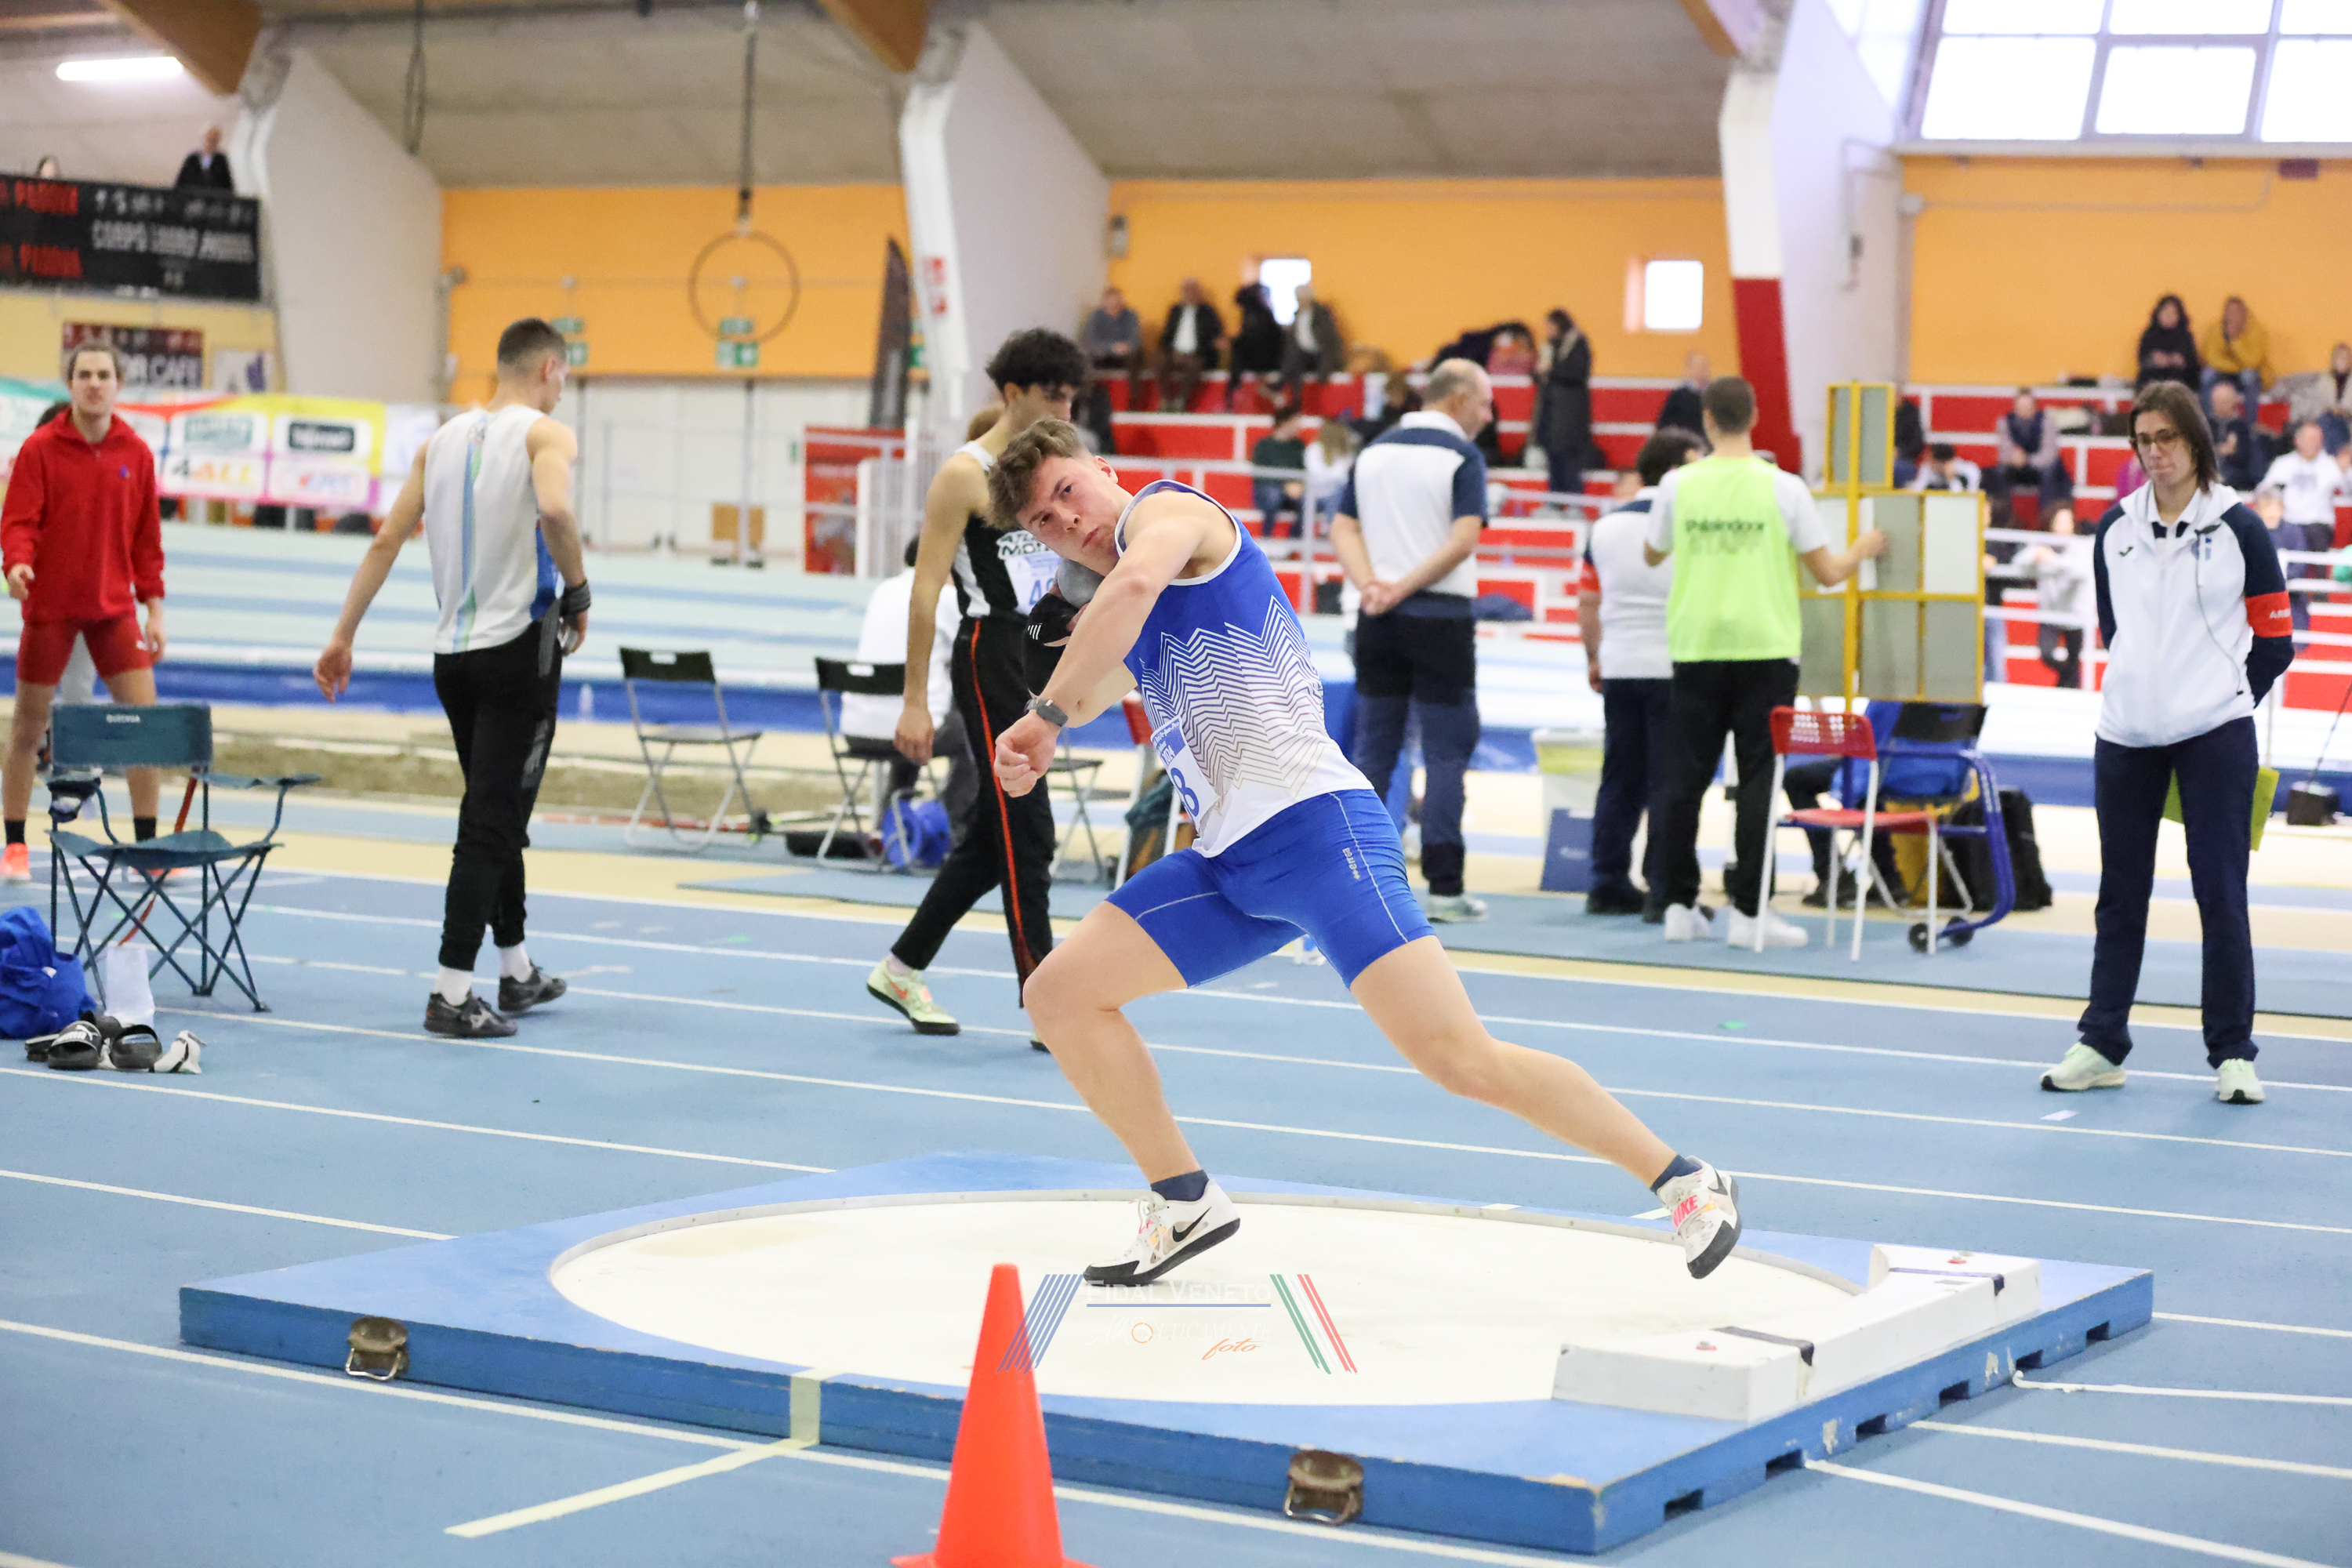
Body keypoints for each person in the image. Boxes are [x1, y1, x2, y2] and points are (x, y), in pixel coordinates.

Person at [985, 417, 1748, 1287]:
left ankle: (1685, 1178)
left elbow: (1125, 596)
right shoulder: (1122, 602)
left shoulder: (1169, 514)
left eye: (1068, 492)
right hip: (1230, 865)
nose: (1066, 520)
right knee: (1059, 995)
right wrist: (1044, 708)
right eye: (1043, 521)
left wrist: (1045, 712)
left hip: (1321, 834)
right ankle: (1183, 1198)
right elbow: (1096, 690)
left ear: (1102, 468)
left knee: (1461, 1059)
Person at [314, 318, 587, 1038]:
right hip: (517, 652)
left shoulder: (438, 441)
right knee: (492, 821)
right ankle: (452, 992)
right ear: (549, 369)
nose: (564, 389)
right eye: (565, 376)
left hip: (453, 659)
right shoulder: (547, 436)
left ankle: (516, 969)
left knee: (495, 809)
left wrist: (343, 635)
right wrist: (580, 590)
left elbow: (385, 539)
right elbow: (557, 509)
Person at [2040, 382, 2293, 1107]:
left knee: (2221, 893)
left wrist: (2225, 700)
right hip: (2125, 737)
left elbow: (2275, 642)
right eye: (2144, 440)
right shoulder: (2114, 530)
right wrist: (2144, 696)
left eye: (2167, 438)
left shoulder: (2241, 528)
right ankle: (2102, 1042)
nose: (2155, 452)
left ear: (2195, 441)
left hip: (2216, 736)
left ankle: (2233, 1053)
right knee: (2120, 894)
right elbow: (2115, 631)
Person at [863, 328, 1087, 1043]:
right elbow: (925, 590)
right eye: (1054, 397)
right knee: (1029, 833)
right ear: (1013, 393)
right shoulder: (965, 476)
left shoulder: (1056, 467)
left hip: (1040, 651)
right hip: (990, 653)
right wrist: (914, 702)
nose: (1066, 411)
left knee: (994, 842)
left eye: (1073, 398)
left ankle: (902, 967)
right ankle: (1046, 1001)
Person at [1641, 376, 1886, 950]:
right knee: (1758, 780)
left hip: (1697, 646)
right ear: (1754, 417)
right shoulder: (1784, 488)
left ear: (1706, 420)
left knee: (1683, 781)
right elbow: (1828, 573)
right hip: (1765, 649)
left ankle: (1678, 905)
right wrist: (1864, 549)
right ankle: (1750, 914)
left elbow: (1651, 552)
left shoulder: (1677, 485)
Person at [1331, 359, 1496, 924]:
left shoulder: (1373, 452)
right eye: (1484, 404)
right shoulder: (1462, 457)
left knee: (1375, 750)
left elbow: (1341, 527)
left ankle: (1363, 884)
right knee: (1447, 753)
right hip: (1440, 619)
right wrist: (1403, 586)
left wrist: (1371, 587)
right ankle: (1445, 888)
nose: (1489, 416)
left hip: (1378, 619)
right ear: (1458, 399)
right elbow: (1464, 539)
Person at [0, 343, 168, 884]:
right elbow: (18, 522)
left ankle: (148, 847)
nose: (94, 383)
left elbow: (147, 542)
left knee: (145, 726)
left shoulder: (136, 453)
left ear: (118, 384)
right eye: (84, 374)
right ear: (70, 384)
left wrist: (154, 610)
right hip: (51, 609)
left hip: (113, 611)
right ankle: (15, 844)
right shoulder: (40, 450)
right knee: (28, 729)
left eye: (103, 374)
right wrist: (17, 565)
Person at [1578, 429, 1700, 917]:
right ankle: (1663, 887)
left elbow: (1589, 601)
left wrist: (1594, 657)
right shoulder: (1687, 523)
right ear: (1674, 472)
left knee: (1619, 777)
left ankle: (1606, 881)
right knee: (1669, 782)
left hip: (1621, 663)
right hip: (1672, 664)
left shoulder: (1604, 528)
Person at [842, 536, 975, 837]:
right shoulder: (945, 597)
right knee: (982, 733)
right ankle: (948, 827)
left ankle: (891, 825)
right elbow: (975, 653)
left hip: (858, 730)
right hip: (910, 730)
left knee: (914, 721)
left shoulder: (883, 590)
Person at [2257, 418, 2350, 641]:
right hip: (2288, 522)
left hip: (2318, 524)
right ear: (2297, 441)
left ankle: (2319, 593)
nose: (2314, 443)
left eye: (2318, 439)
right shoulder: (2283, 464)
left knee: (2315, 534)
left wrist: (2345, 467)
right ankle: (2279, 591)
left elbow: (2348, 489)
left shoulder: (2330, 465)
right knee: (2279, 534)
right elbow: (2263, 491)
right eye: (2309, 438)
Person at [2022, 503, 2092, 688]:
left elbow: (2080, 571)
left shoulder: (2081, 547)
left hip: (2075, 614)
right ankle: (2067, 679)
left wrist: (2052, 560)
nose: (2063, 527)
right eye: (2059, 522)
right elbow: (2019, 564)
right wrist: (2034, 557)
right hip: (2050, 613)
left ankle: (2067, 688)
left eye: (2067, 522)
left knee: (2074, 659)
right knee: (2047, 655)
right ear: (2051, 524)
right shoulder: (2041, 545)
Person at [1984, 388, 2073, 517]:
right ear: (2015, 407)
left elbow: (2049, 454)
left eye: (2028, 406)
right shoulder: (2004, 422)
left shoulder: (2047, 422)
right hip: (2015, 468)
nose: (2024, 410)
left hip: (2040, 468)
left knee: (2053, 470)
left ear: (2035, 407)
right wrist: (2014, 459)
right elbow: (2004, 453)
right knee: (1995, 473)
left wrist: (2027, 460)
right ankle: (2001, 515)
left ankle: (2048, 515)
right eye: (2021, 406)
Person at [1534, 309, 1592, 499]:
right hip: (1550, 413)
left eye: (1550, 326)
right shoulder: (1548, 347)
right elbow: (1537, 376)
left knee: (1570, 461)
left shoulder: (1578, 344)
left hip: (1570, 416)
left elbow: (1578, 373)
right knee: (1553, 460)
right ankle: (1554, 500)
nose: (1547, 330)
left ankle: (1575, 501)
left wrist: (1551, 369)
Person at [1156, 279, 1223, 415]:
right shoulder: (1175, 310)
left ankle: (1181, 401)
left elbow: (1216, 334)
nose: (1189, 295)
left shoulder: (1207, 312)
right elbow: (1167, 334)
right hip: (1175, 353)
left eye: (1193, 292)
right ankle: (1166, 399)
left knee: (1195, 365)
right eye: (1186, 292)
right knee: (1159, 361)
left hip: (1197, 354)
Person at [2200, 296, 2270, 412]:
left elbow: (2253, 362)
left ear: (2244, 314)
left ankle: (2249, 422)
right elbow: (2212, 359)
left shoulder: (2257, 331)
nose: (2232, 316)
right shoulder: (2216, 330)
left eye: (2236, 312)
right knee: (2207, 375)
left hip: (2246, 373)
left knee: (2248, 376)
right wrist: (2234, 367)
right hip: (2224, 372)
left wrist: (2234, 341)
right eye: (2229, 312)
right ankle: (2208, 420)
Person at [1248, 407, 1311, 539]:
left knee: (1308, 500)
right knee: (1273, 496)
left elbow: (1305, 470)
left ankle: (1294, 541)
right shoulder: (1263, 445)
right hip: (1268, 490)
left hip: (1293, 491)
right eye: (1296, 421)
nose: (1299, 426)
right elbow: (1260, 475)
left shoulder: (1299, 446)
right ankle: (1267, 537)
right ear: (1284, 422)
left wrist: (1299, 485)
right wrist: (1285, 486)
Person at [1080, 286, 1144, 410]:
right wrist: (1112, 347)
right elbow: (1090, 341)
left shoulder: (1131, 316)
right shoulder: (1095, 317)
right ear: (1104, 303)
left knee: (1137, 355)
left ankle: (1133, 401)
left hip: (1125, 355)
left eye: (1117, 303)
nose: (1114, 306)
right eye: (1111, 303)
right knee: (1086, 357)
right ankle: (1086, 401)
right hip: (1103, 355)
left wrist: (1126, 347)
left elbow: (1136, 339)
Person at [1279, 282, 1343, 403]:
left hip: (1319, 356)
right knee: (1292, 365)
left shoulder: (1321, 314)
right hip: (1302, 356)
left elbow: (1329, 343)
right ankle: (1293, 400)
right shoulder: (1298, 315)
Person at [1225, 283, 1283, 412]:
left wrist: (1232, 342)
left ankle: (1233, 392)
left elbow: (1249, 341)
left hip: (1263, 361)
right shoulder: (1265, 314)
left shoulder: (1254, 316)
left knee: (1237, 355)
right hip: (1270, 359)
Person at [1303, 417, 1357, 535]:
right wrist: (1333, 477)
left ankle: (1332, 530)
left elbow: (1343, 475)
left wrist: (1333, 477)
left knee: (1339, 497)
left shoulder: (1346, 452)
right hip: (1315, 492)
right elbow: (1317, 472)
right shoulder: (1314, 449)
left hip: (1336, 492)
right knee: (1332, 497)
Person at [2208, 381, 2264, 492]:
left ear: (2233, 402)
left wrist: (2230, 453)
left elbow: (2244, 457)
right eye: (2217, 402)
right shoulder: (2206, 425)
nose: (2220, 406)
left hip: (2234, 476)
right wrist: (2220, 450)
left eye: (2224, 402)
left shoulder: (2241, 427)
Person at [2136, 295, 2199, 391]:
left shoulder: (2185, 336)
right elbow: (2142, 360)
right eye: (2165, 312)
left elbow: (2194, 363)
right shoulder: (2149, 335)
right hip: (2154, 377)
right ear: (2158, 314)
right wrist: (2154, 360)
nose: (2168, 316)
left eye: (2173, 313)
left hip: (2180, 379)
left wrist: (2181, 361)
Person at [1656, 351, 1709, 439]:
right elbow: (1664, 425)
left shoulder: (1713, 396)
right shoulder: (1678, 396)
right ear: (1689, 369)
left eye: (1704, 366)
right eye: (1698, 366)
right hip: (1685, 442)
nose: (1701, 370)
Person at [175, 127, 234, 191]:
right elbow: (181, 182)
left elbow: (227, 185)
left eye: (214, 139)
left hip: (214, 195)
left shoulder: (221, 160)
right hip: (192, 194)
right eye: (209, 138)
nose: (211, 141)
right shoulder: (192, 158)